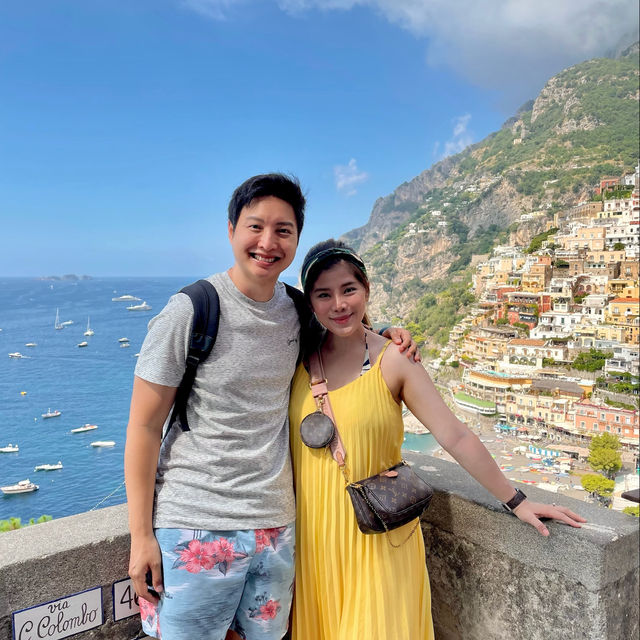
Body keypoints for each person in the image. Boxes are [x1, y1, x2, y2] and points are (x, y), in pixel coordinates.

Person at [124, 174, 416, 640]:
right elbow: (142, 427)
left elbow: (347, 334)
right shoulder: (191, 310)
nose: (267, 242)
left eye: (283, 230)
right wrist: (141, 536)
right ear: (231, 230)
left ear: (297, 238)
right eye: (255, 227)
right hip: (197, 526)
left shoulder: (298, 312)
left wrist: (390, 336)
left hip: (276, 529)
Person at [288, 239, 586, 640]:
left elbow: (453, 434)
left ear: (366, 290)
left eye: (348, 289)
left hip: (377, 539)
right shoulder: (299, 358)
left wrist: (516, 500)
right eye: (324, 294)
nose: (339, 304)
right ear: (310, 302)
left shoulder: (391, 359)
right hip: (313, 539)